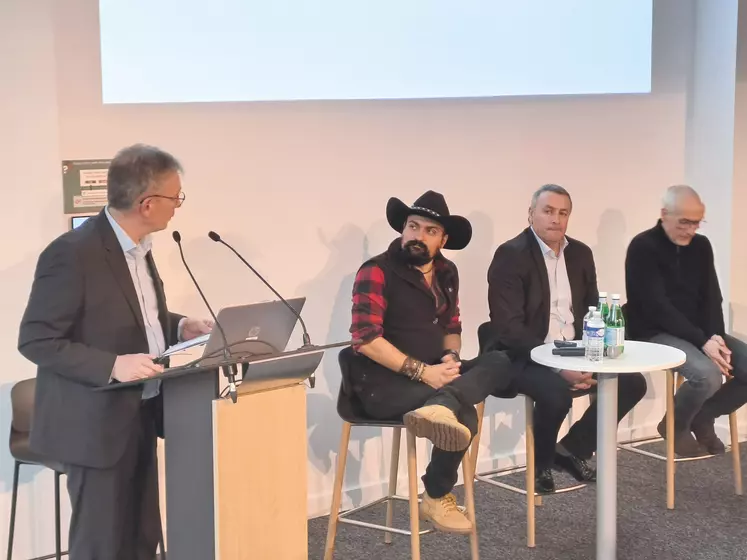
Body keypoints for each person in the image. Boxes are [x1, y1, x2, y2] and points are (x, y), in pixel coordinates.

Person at [18, 144, 214, 559]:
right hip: (92, 425)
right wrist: (112, 366)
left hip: (140, 414)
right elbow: (36, 338)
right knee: (102, 546)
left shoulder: (139, 247)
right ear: (147, 203)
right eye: (175, 197)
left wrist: (178, 325)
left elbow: (133, 314)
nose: (178, 207)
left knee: (141, 539)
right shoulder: (72, 253)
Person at [348, 190, 514, 533]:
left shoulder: (446, 271)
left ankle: (444, 401)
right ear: (402, 229)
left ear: (443, 239)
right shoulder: (375, 271)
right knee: (464, 413)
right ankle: (436, 495)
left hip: (433, 373)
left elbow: (452, 327)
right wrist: (425, 373)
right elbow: (365, 340)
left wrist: (450, 360)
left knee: (501, 360)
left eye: (430, 231)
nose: (418, 237)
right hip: (381, 383)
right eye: (413, 226)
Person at [485, 184, 647, 493]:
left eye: (563, 213)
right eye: (548, 211)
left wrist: (592, 355)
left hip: (574, 348)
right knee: (556, 392)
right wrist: (558, 368)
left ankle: (572, 448)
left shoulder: (581, 254)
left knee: (632, 382)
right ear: (531, 214)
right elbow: (509, 329)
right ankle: (542, 463)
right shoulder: (510, 255)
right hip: (523, 354)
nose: (556, 219)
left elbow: (590, 310)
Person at [625, 185, 747, 457]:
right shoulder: (643, 247)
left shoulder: (701, 246)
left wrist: (716, 336)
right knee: (707, 376)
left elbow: (712, 296)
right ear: (664, 214)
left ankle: (703, 416)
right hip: (654, 331)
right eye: (685, 222)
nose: (691, 230)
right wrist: (704, 341)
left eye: (696, 223)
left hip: (698, 333)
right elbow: (658, 307)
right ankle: (675, 425)